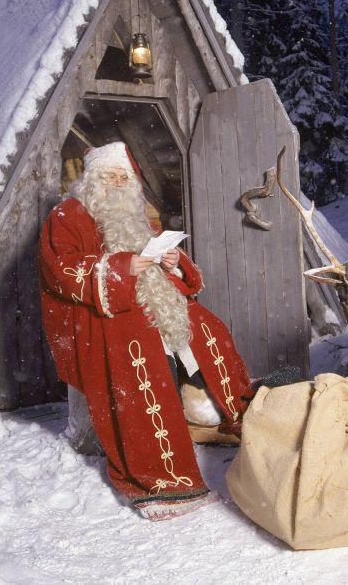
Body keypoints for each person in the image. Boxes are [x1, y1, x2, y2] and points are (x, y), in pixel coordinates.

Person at [38, 141, 254, 521]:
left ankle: (227, 410)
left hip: (156, 302)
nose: (118, 184)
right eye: (110, 176)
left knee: (208, 329)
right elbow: (62, 270)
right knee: (143, 356)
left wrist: (171, 261)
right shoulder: (67, 215)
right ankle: (162, 472)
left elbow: (162, 257)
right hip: (105, 313)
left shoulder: (137, 216)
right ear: (92, 180)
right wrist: (123, 267)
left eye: (124, 177)